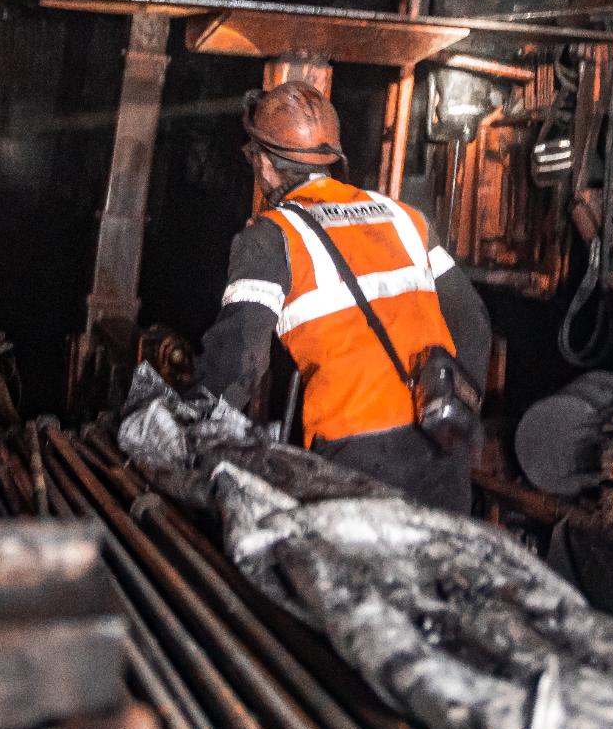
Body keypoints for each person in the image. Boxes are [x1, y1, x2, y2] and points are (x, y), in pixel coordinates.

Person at [194, 81, 492, 512]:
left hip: (357, 455)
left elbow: (239, 361)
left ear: (266, 164)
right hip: (442, 440)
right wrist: (457, 409)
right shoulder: (405, 217)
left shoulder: (272, 236)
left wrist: (190, 423)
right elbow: (473, 322)